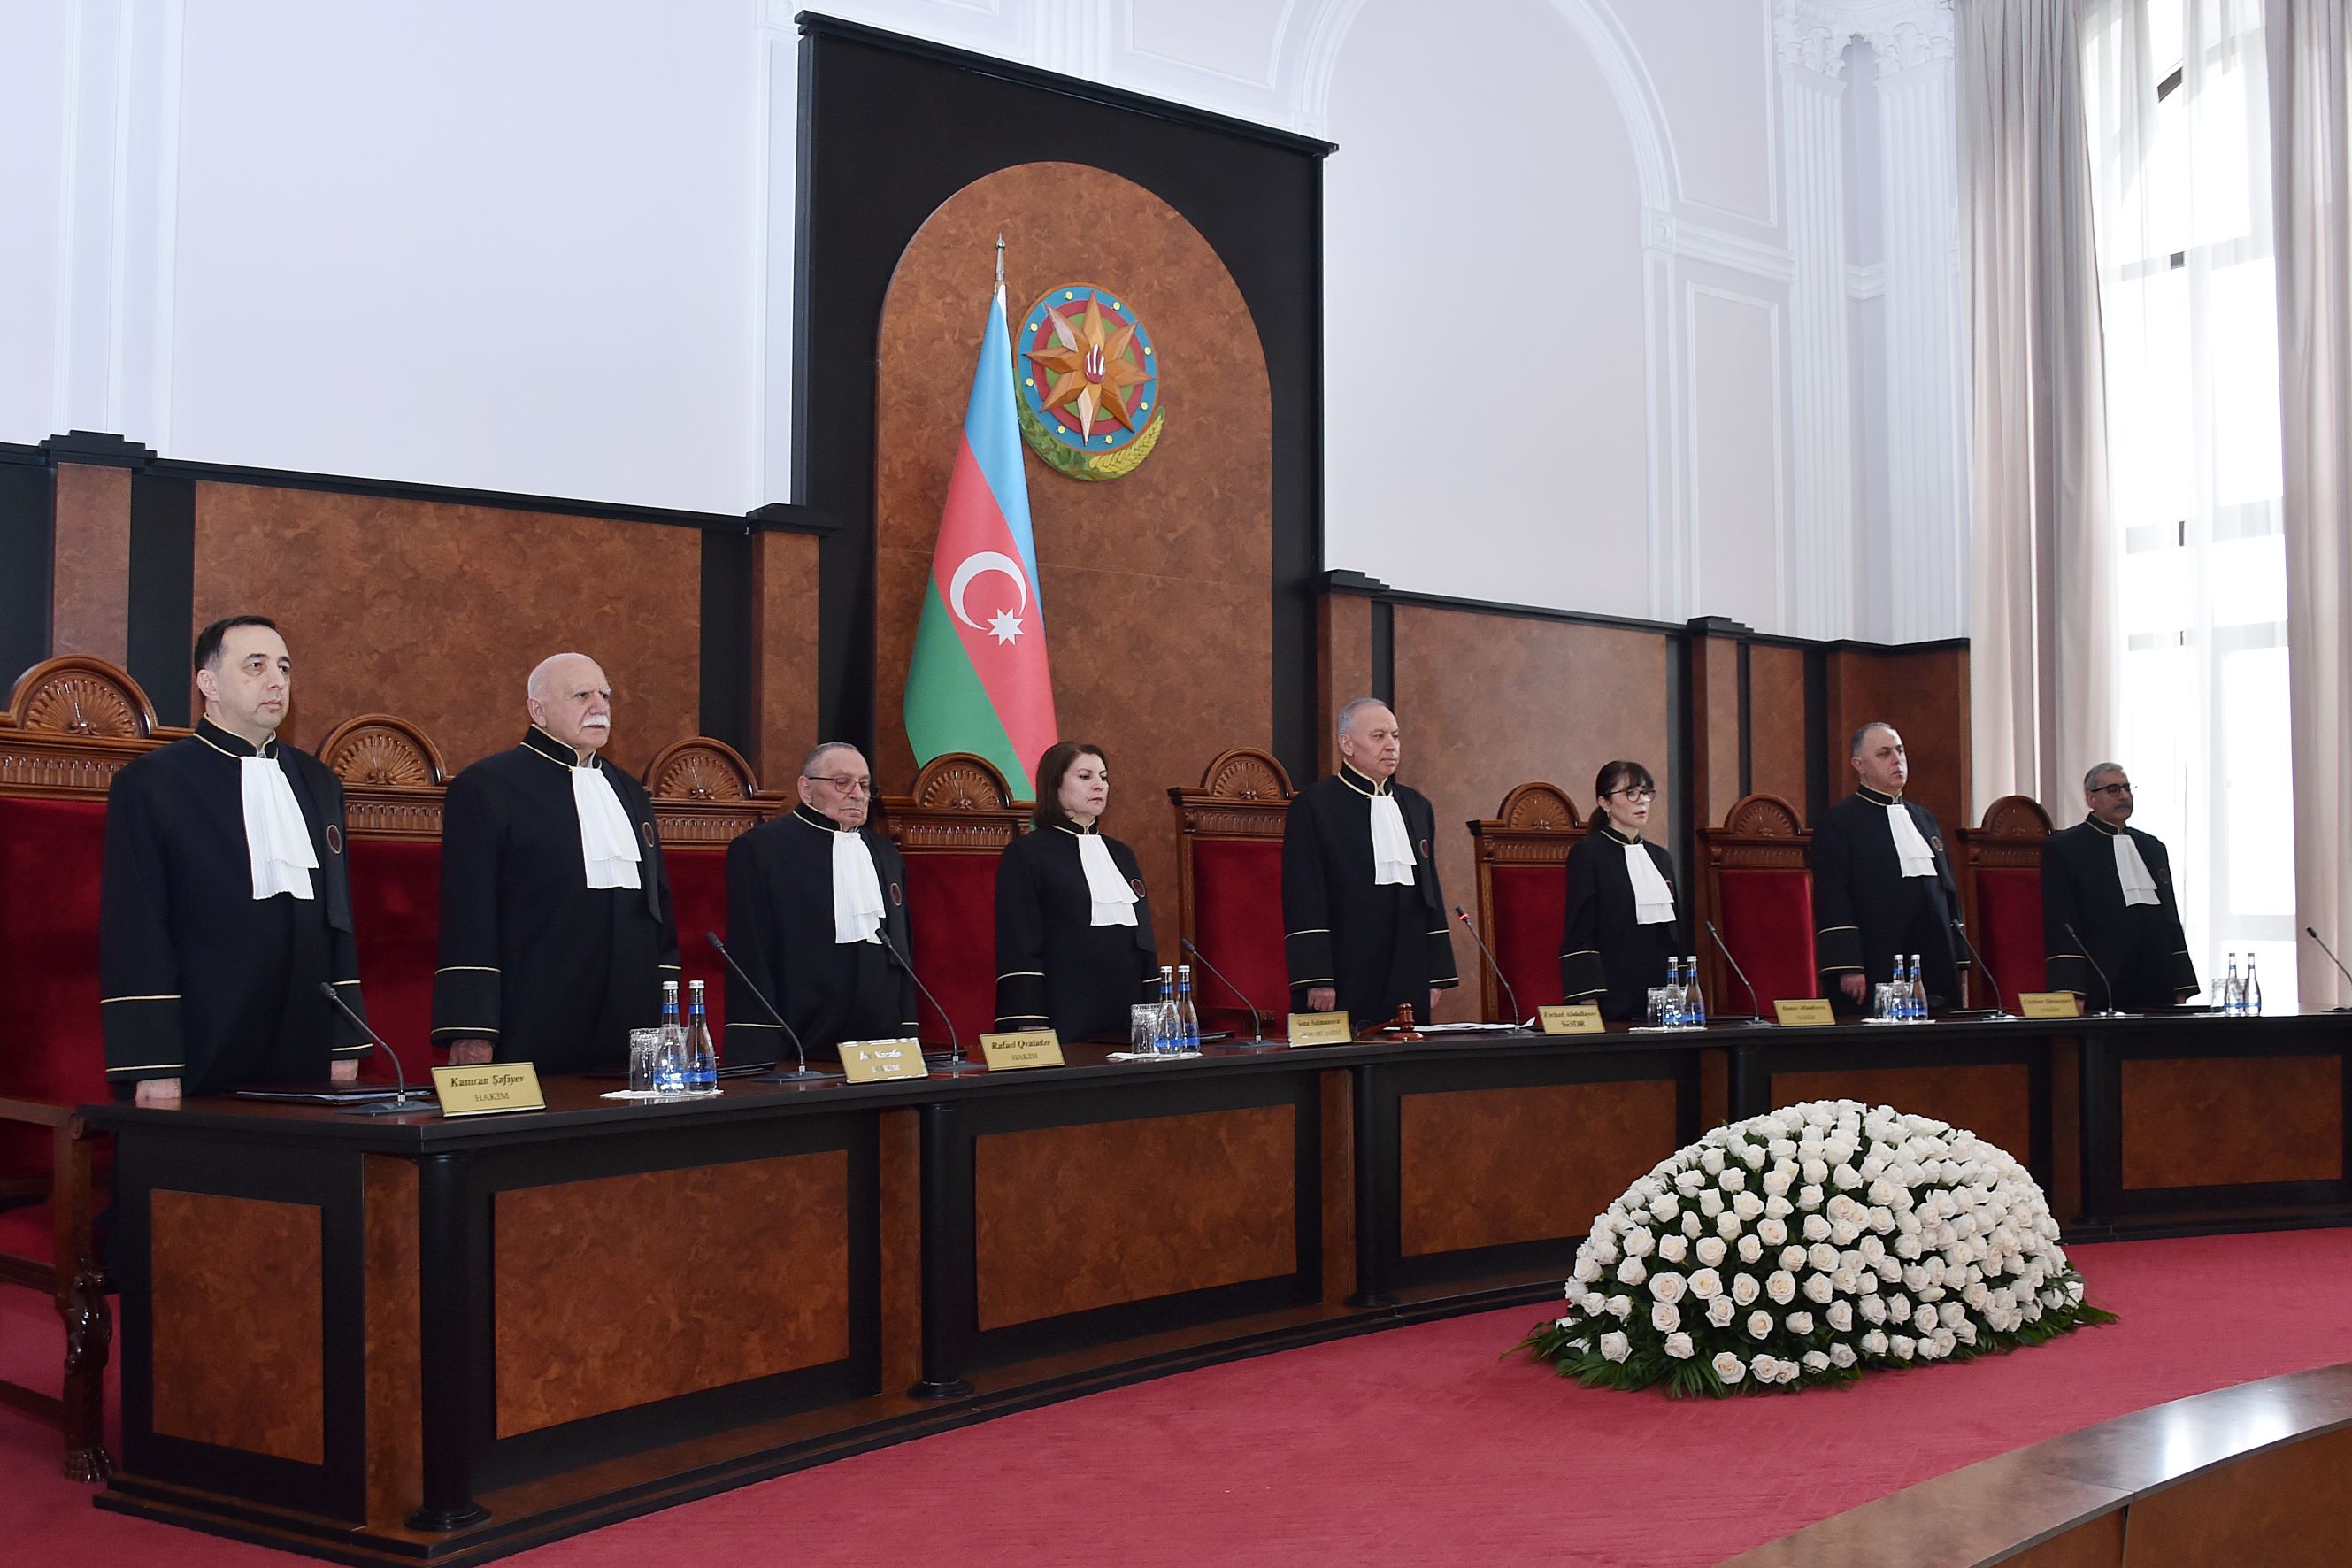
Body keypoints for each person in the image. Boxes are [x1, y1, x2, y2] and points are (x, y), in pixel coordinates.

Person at [100, 615, 371, 1101]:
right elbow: (137, 930)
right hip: (201, 1043)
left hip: (304, 1046)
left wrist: (344, 1040)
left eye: (284, 668)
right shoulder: (152, 783)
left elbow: (337, 919)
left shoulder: (319, 782)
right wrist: (153, 1061)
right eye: (255, 666)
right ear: (209, 683)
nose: (276, 681)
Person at [433, 652, 678, 1072]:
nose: (599, 707)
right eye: (582, 695)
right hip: (532, 1017)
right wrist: (473, 1027)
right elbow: (469, 915)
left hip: (630, 1024)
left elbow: (658, 910)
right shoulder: (487, 786)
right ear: (538, 710)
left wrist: (667, 1012)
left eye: (605, 695)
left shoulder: (629, 791)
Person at [720, 742, 918, 1061]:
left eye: (864, 784)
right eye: (842, 783)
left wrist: (906, 1030)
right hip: (797, 1039)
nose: (857, 794)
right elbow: (751, 952)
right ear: (806, 789)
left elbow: (902, 951)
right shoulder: (762, 849)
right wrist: (759, 1049)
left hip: (878, 1040)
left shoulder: (886, 853)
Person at [1281, 698, 1458, 1027]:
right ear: (1346, 744)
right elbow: (1304, 894)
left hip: (1408, 964)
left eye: (1395, 736)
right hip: (1345, 966)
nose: (1391, 745)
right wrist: (1317, 976)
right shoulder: (1315, 805)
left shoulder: (1417, 806)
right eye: (1379, 736)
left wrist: (1436, 974)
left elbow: (1430, 891)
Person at [994, 742, 1159, 1042]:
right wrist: (1030, 1019)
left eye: (1103, 777)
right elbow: (1019, 943)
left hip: (1127, 1012)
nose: (1099, 785)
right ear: (1054, 785)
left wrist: (1153, 1008)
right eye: (1085, 776)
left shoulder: (1122, 854)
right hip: (1064, 1011)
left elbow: (1143, 941)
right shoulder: (1027, 853)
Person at [1813, 721, 1962, 1013]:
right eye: (1884, 753)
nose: (1897, 760)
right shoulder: (1838, 822)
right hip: (1874, 960)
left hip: (1934, 962)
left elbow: (1947, 891)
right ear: (1859, 765)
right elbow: (1833, 898)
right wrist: (1848, 966)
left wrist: (1958, 957)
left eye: (1900, 751)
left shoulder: (1924, 818)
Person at [2041, 763, 2199, 1010]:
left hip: (2156, 980)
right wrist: (2071, 990)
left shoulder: (2153, 848)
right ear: (2090, 798)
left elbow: (2169, 917)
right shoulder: (2065, 848)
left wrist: (2182, 984)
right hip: (2101, 981)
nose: (2124, 796)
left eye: (2127, 788)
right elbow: (2062, 923)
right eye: (2113, 789)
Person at [1560, 760, 1684, 1021]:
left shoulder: (1661, 858)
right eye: (1631, 793)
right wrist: (1588, 999)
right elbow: (1580, 932)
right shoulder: (1588, 854)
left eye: (1646, 792)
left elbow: (1675, 934)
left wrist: (1682, 991)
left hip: (1661, 1000)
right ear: (1605, 803)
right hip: (1612, 999)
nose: (1643, 801)